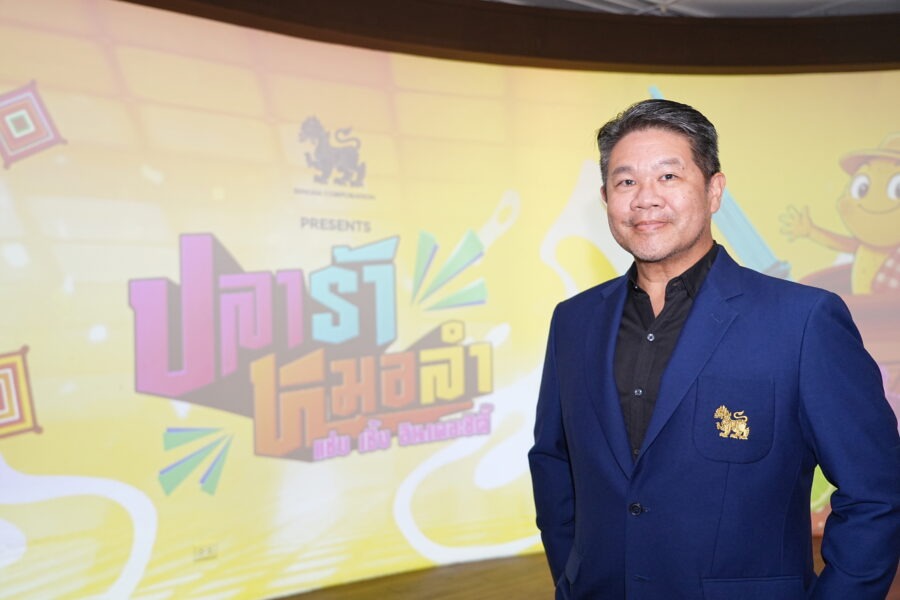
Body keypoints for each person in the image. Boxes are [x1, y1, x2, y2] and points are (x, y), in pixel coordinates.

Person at [528, 98, 900, 599]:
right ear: (605, 198)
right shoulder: (574, 321)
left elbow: (876, 493)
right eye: (626, 181)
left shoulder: (803, 321)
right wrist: (572, 578)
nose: (645, 199)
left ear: (714, 191)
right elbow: (553, 464)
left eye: (668, 176)